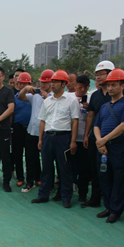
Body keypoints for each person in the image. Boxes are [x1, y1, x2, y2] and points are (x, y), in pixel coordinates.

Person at [82, 60, 124, 209]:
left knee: (116, 174)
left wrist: (105, 140)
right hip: (97, 139)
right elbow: (92, 117)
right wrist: (88, 135)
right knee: (98, 171)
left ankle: (115, 207)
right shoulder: (96, 96)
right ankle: (97, 199)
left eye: (101, 74)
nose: (98, 77)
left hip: (116, 141)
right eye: (96, 74)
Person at [31, 70, 79, 208]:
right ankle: (43, 195)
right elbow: (42, 121)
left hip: (63, 137)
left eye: (56, 82)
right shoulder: (47, 101)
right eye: (52, 81)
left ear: (64, 84)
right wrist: (40, 139)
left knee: (64, 169)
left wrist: (73, 141)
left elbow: (75, 121)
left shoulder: (71, 100)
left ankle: (66, 197)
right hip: (48, 137)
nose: (52, 84)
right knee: (46, 168)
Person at [93, 69, 124, 223]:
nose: (110, 88)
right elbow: (96, 125)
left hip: (118, 146)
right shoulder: (104, 106)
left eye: (114, 85)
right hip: (103, 147)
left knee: (119, 178)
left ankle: (116, 211)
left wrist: (103, 140)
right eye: (109, 85)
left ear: (122, 85)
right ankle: (109, 206)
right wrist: (99, 141)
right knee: (104, 177)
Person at [17, 69, 53, 193]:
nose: (43, 85)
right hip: (32, 131)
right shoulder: (35, 96)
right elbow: (21, 97)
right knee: (30, 158)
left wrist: (46, 96)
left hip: (47, 133)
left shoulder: (54, 97)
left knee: (47, 160)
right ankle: (30, 182)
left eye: (46, 82)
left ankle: (48, 184)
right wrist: (26, 89)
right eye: (42, 82)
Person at [72, 75, 92, 202]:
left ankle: (82, 193)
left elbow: (93, 117)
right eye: (80, 86)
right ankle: (68, 190)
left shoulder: (91, 99)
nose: (83, 89)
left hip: (85, 139)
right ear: (75, 85)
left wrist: (89, 109)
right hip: (71, 138)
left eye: (85, 87)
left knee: (84, 168)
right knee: (69, 165)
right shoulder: (69, 98)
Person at [12, 72, 32, 187]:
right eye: (20, 83)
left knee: (31, 155)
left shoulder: (35, 97)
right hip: (18, 128)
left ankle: (32, 177)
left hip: (30, 129)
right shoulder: (15, 98)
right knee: (17, 154)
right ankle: (20, 177)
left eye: (25, 84)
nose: (22, 86)